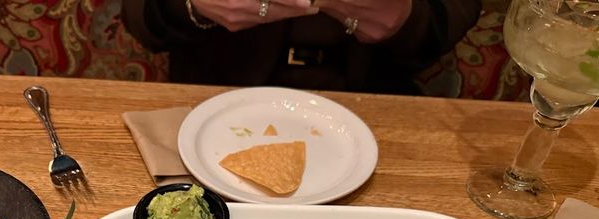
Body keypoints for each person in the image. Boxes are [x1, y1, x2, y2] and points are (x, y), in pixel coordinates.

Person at [121, 0, 483, 94]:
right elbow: (138, 16)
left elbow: (453, 14)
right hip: (210, 98)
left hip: (375, 103)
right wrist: (193, 6)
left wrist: (408, 18)